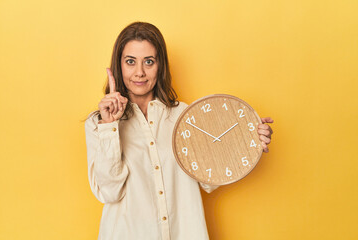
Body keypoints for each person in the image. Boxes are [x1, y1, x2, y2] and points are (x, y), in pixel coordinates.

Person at [84, 21, 273, 240]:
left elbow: (208, 179)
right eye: (130, 62)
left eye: (149, 61)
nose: (139, 72)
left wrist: (250, 140)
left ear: (160, 65)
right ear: (119, 65)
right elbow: (109, 192)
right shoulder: (99, 123)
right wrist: (110, 127)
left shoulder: (185, 115)